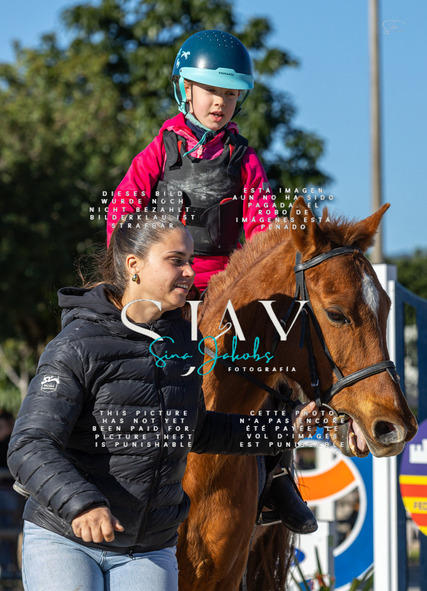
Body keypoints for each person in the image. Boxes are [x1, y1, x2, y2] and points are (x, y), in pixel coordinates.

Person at [8, 216, 318, 591]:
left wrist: (281, 432)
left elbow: (197, 431)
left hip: (148, 550)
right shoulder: (77, 344)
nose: (190, 271)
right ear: (134, 265)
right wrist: (82, 504)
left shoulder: (184, 345)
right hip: (67, 540)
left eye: (190, 259)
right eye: (176, 260)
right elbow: (29, 445)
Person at [107, 29, 316, 533]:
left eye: (230, 93)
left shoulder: (245, 160)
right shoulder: (158, 151)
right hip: (163, 286)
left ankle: (276, 474)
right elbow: (122, 215)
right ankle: (84, 448)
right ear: (185, 89)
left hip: (223, 290)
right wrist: (139, 274)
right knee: (104, 346)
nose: (220, 102)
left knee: (273, 359)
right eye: (210, 91)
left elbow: (263, 229)